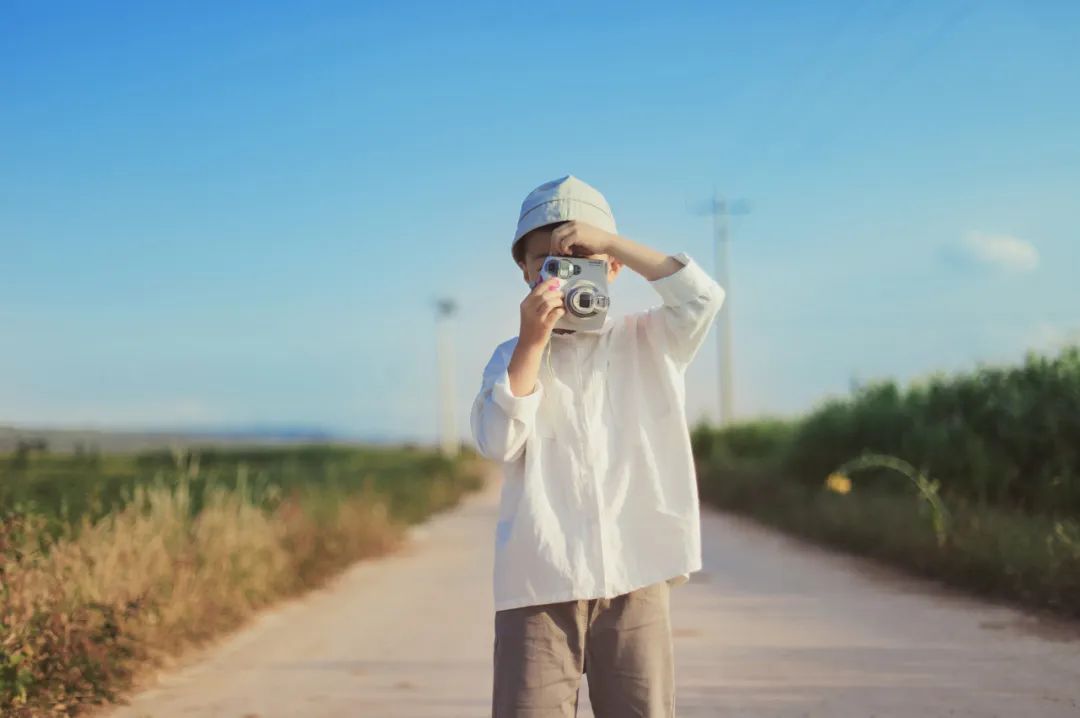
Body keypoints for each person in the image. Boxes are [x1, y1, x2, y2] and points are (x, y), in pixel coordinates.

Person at [470, 174, 726, 717]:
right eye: (546, 261)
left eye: (580, 257)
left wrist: (610, 240)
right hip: (538, 583)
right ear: (523, 269)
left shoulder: (649, 339)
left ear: (612, 268)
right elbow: (497, 442)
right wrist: (531, 344)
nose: (561, 273)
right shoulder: (509, 356)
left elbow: (703, 296)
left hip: (636, 574)